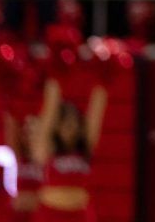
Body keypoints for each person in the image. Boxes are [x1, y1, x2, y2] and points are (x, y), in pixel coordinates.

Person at [30, 76, 108, 222]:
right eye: (66, 122)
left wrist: (103, 77)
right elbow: (50, 108)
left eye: (75, 122)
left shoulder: (86, 148)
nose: (71, 127)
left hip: (80, 215)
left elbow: (98, 108)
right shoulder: (46, 148)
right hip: (50, 215)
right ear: (57, 126)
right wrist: (55, 75)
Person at [4, 110, 43, 222]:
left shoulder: (50, 159)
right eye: (26, 131)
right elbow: (10, 126)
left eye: (33, 131)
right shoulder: (18, 157)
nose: (28, 135)